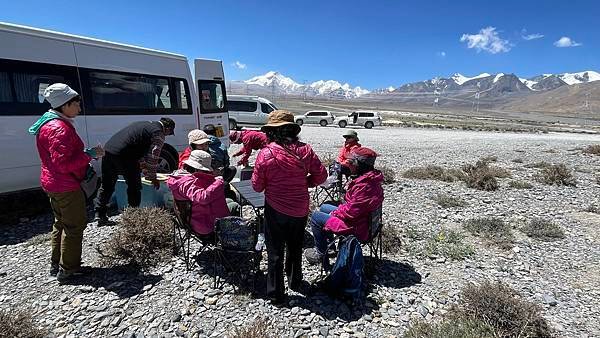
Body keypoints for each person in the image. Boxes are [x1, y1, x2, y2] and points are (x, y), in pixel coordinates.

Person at [28, 83, 104, 283]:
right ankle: (69, 269)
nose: (79, 107)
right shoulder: (59, 129)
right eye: (76, 103)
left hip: (52, 182)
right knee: (75, 226)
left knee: (60, 223)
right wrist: (89, 154)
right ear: (64, 105)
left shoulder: (47, 122)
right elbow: (64, 164)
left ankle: (57, 263)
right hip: (66, 185)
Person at [252, 110, 327, 304]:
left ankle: (276, 293)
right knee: (295, 247)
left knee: (275, 250)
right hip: (300, 207)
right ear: (293, 130)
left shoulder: (266, 153)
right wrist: (304, 183)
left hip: (275, 208)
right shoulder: (306, 150)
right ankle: (295, 281)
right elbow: (321, 176)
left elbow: (257, 186)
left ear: (271, 132)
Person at [304, 147, 384, 268]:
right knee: (325, 207)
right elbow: (355, 207)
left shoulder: (364, 186)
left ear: (358, 165)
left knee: (316, 217)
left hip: (357, 228)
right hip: (366, 222)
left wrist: (336, 213)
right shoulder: (372, 179)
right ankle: (329, 248)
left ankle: (321, 253)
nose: (348, 166)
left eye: (351, 163)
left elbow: (351, 213)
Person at [94, 117, 175, 224]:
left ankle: (100, 214)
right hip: (125, 156)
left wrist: (146, 171)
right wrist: (153, 177)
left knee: (107, 184)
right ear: (167, 129)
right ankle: (133, 216)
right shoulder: (158, 133)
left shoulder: (143, 124)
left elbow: (138, 152)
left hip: (108, 150)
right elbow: (154, 156)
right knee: (134, 186)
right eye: (168, 134)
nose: (166, 136)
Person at [167, 150, 240, 237]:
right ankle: (231, 239)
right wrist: (219, 180)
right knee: (235, 205)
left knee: (229, 200)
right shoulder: (187, 183)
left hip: (193, 218)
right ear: (197, 169)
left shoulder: (181, 178)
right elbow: (203, 198)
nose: (207, 173)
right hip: (204, 225)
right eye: (205, 171)